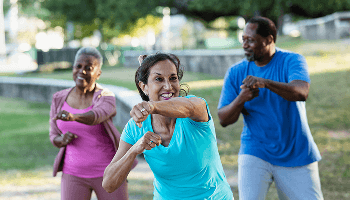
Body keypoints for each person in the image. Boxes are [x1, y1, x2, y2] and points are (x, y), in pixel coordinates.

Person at [217, 16, 324, 200]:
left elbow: (301, 92)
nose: (245, 45)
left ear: (269, 40)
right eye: (243, 39)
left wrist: (265, 83)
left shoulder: (292, 61)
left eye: (250, 40)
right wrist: (241, 99)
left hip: (296, 151)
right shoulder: (236, 72)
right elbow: (223, 119)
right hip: (255, 150)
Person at [102, 53, 233, 199]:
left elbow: (187, 107)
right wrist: (134, 150)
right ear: (144, 87)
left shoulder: (196, 108)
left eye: (173, 78)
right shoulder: (136, 127)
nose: (168, 86)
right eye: (158, 79)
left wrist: (151, 106)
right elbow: (109, 184)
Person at [49, 47, 137, 200]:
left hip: (109, 172)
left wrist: (73, 117)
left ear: (98, 73)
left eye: (88, 68)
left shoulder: (106, 97)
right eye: (78, 66)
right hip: (73, 173)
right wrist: (61, 140)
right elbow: (54, 135)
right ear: (73, 67)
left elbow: (97, 116)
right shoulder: (59, 98)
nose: (81, 71)